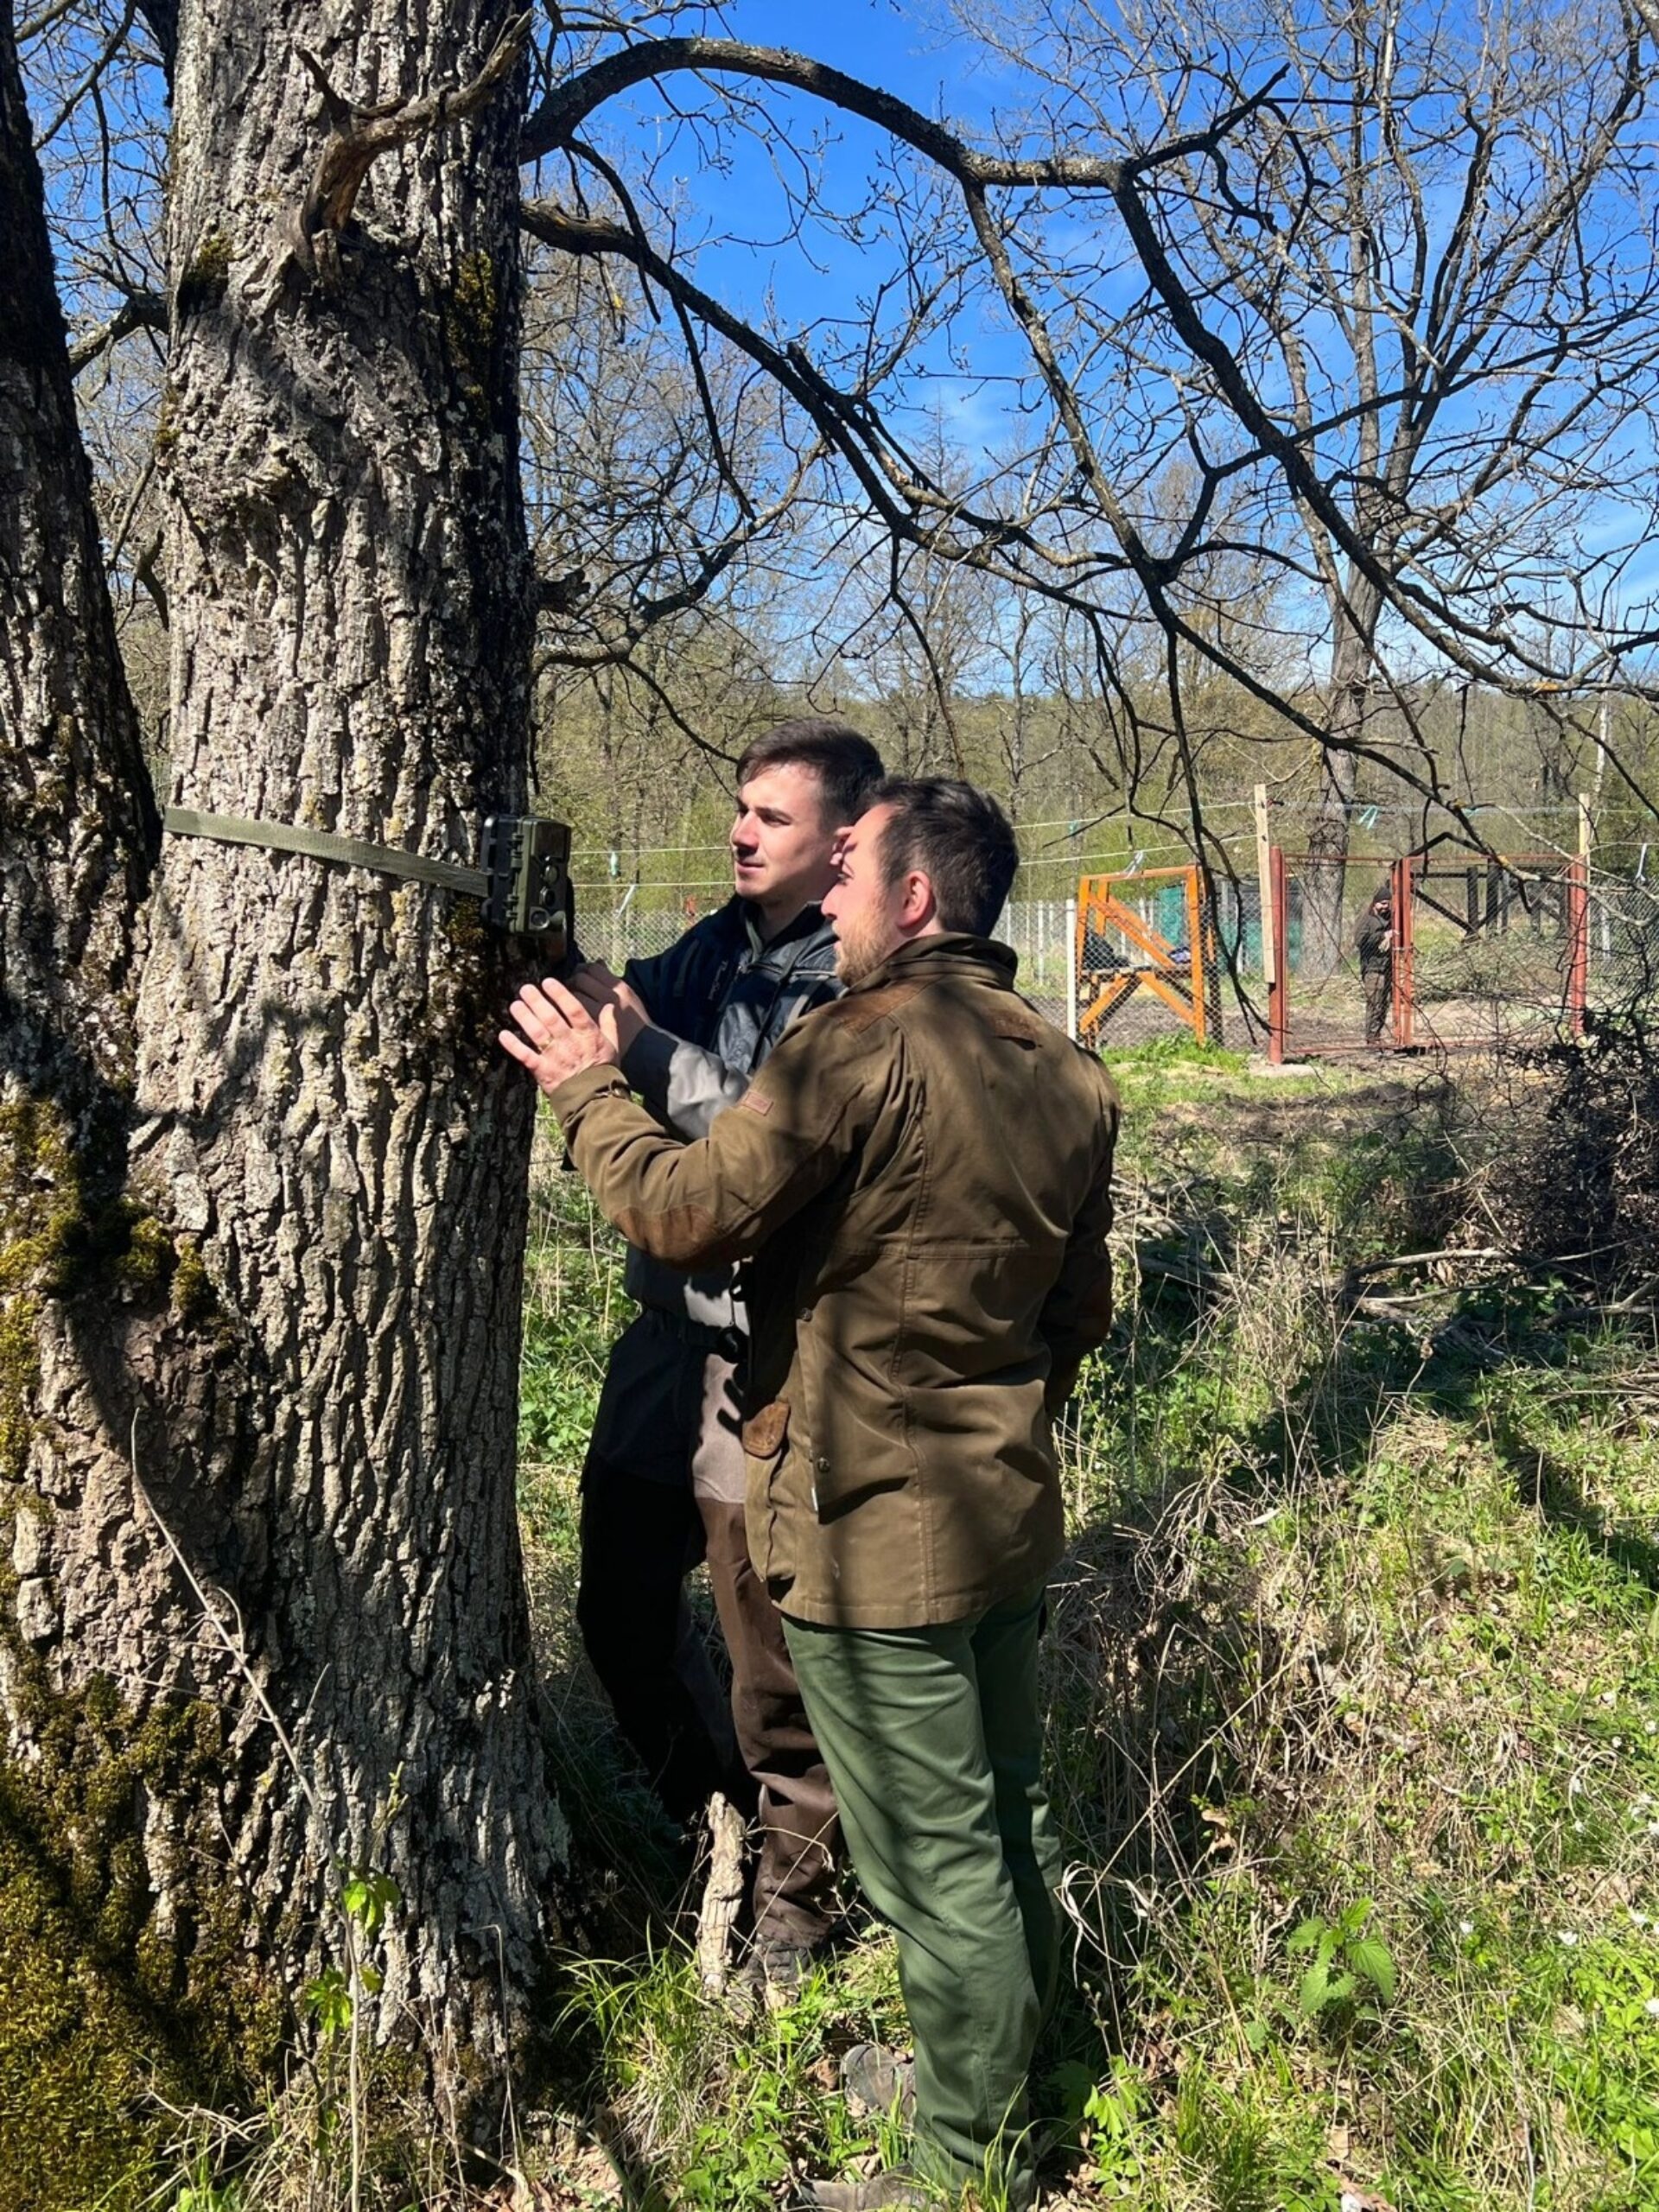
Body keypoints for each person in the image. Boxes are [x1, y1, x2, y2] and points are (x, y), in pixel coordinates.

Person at [502, 779, 1120, 2212]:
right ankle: (1017, 2073)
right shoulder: (1069, 1071)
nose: (829, 895)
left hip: (870, 1537)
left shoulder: (855, 1045)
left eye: (850, 871)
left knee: (932, 1862)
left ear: (915, 897)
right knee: (1008, 1819)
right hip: (1003, 1513)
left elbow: (684, 1212)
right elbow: (1076, 1317)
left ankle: (960, 2171)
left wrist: (585, 1085)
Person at [564, 719, 884, 1993]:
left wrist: (636, 1048)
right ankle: (713, 1834)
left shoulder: (856, 978)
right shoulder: (715, 943)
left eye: (772, 817)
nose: (741, 833)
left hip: (765, 1363)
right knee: (617, 1609)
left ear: (845, 839)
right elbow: (620, 1009)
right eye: (740, 808)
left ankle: (795, 1919)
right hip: (662, 1338)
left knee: (770, 1662)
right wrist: (565, 975)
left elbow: (760, 1136)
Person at [1356, 884, 1394, 1046]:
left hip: (1387, 968)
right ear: (1375, 903)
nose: (1385, 907)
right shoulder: (1367, 919)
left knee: (1384, 1003)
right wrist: (1382, 936)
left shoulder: (1390, 918)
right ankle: (1371, 1037)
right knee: (1374, 1003)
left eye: (1388, 903)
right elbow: (1360, 941)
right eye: (1383, 903)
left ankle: (1376, 1035)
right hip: (1372, 968)